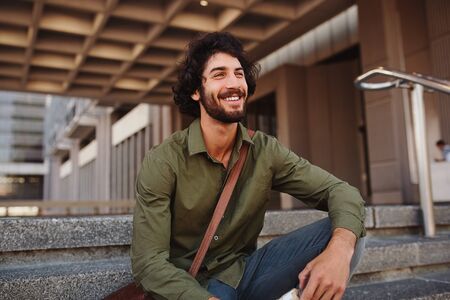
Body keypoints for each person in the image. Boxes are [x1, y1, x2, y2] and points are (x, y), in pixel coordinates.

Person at [131, 32, 366, 300]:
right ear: (196, 91)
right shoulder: (165, 160)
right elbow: (148, 262)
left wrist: (339, 252)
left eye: (239, 74)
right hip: (191, 288)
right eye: (219, 75)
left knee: (346, 231)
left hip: (244, 273)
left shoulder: (265, 150)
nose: (234, 84)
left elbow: (342, 192)